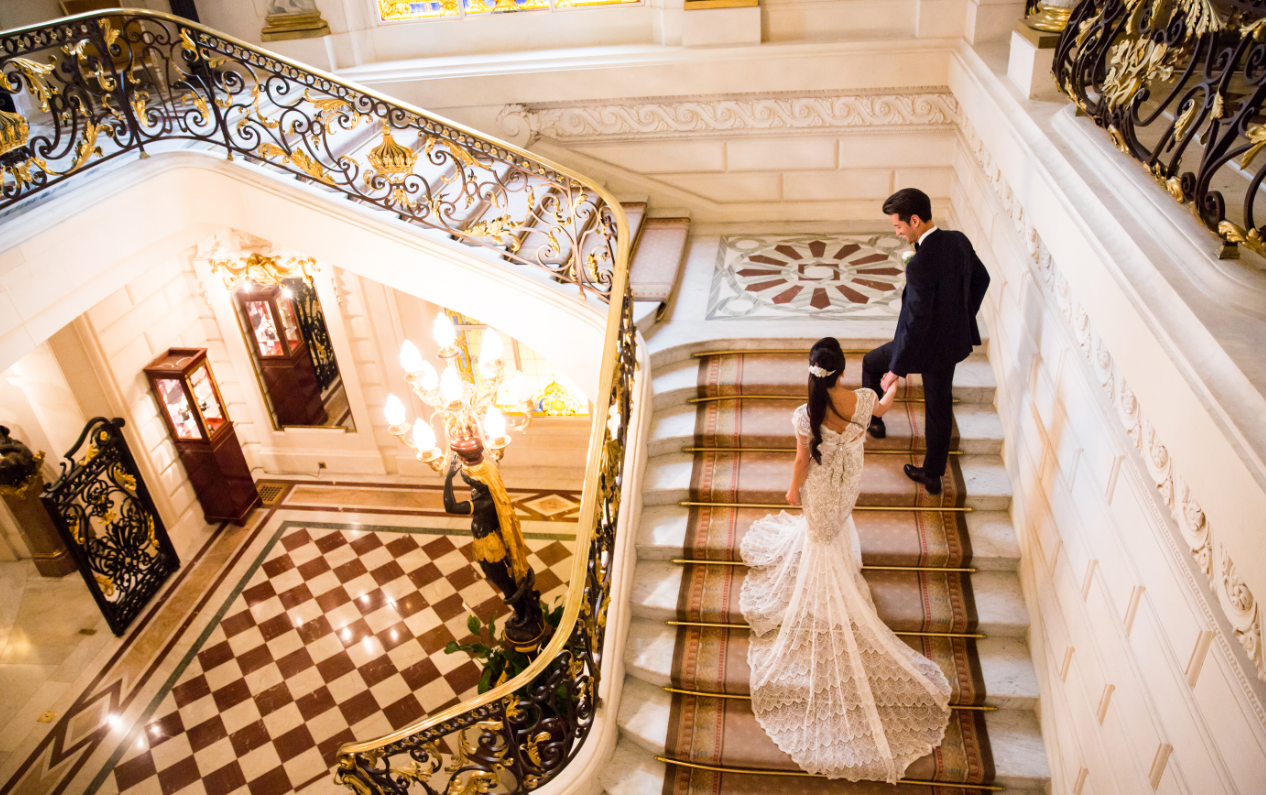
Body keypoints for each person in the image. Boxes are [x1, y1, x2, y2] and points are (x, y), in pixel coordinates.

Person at [739, 338, 952, 783]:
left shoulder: (805, 414)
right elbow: (883, 410)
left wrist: (793, 489)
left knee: (820, 535)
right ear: (840, 371)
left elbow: (802, 459)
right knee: (834, 529)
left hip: (819, 485)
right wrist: (893, 383)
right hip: (848, 481)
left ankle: (827, 592)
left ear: (814, 373)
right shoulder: (862, 399)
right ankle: (839, 570)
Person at [863, 188, 990, 496]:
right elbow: (982, 278)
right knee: (939, 407)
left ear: (915, 220)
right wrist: (960, 316)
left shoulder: (919, 265)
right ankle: (933, 476)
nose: (897, 231)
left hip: (923, 347)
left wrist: (896, 369)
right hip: (949, 347)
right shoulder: (959, 241)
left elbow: (915, 323)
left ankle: (874, 421)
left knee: (871, 362)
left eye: (898, 226)